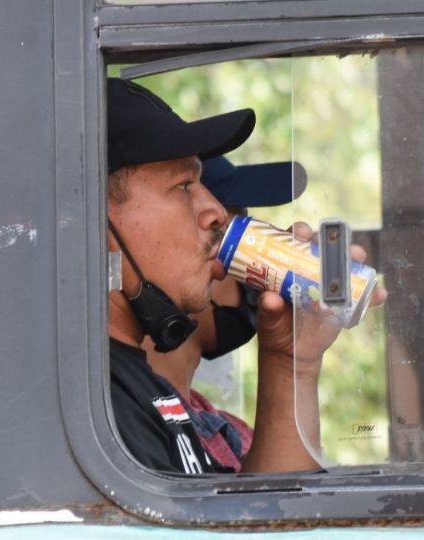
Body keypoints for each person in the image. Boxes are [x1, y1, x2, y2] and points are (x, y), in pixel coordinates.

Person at [105, 77, 385, 474]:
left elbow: (267, 521)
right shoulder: (92, 407)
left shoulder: (138, 388)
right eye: (183, 185)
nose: (216, 211)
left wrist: (292, 361)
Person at [143, 155, 308, 473]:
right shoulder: (129, 426)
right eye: (234, 246)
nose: (257, 274)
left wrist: (293, 356)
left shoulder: (226, 429)